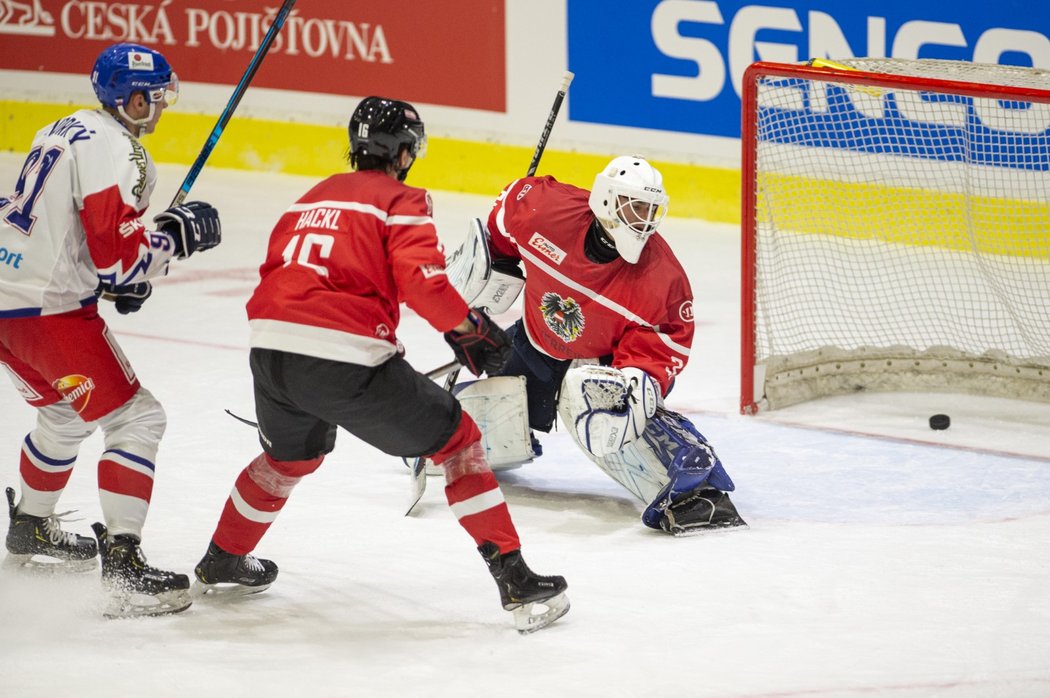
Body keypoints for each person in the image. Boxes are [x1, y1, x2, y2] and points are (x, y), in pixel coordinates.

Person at [191, 96, 569, 635]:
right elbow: (421, 280)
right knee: (459, 440)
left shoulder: (308, 199)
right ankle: (515, 579)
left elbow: (278, 270)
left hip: (270, 352)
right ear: (405, 152)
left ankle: (223, 556)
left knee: (287, 460)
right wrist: (467, 329)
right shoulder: (401, 198)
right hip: (344, 360)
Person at [0, 42, 222, 617]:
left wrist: (121, 277)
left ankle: (30, 526)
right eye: (156, 97)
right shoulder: (117, 147)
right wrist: (178, 237)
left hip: (7, 301)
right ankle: (124, 567)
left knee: (64, 413)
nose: (161, 108)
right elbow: (119, 262)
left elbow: (82, 242)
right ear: (136, 98)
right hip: (47, 310)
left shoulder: (66, 128)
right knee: (137, 418)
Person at [453, 155, 746, 535]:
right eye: (635, 207)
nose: (643, 220)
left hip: (599, 366)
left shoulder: (660, 279)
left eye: (650, 211)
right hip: (535, 345)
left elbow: (662, 346)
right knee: (447, 439)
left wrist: (638, 383)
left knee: (607, 405)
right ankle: (473, 430)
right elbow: (503, 219)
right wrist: (493, 262)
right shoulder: (542, 211)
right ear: (606, 200)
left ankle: (696, 491)